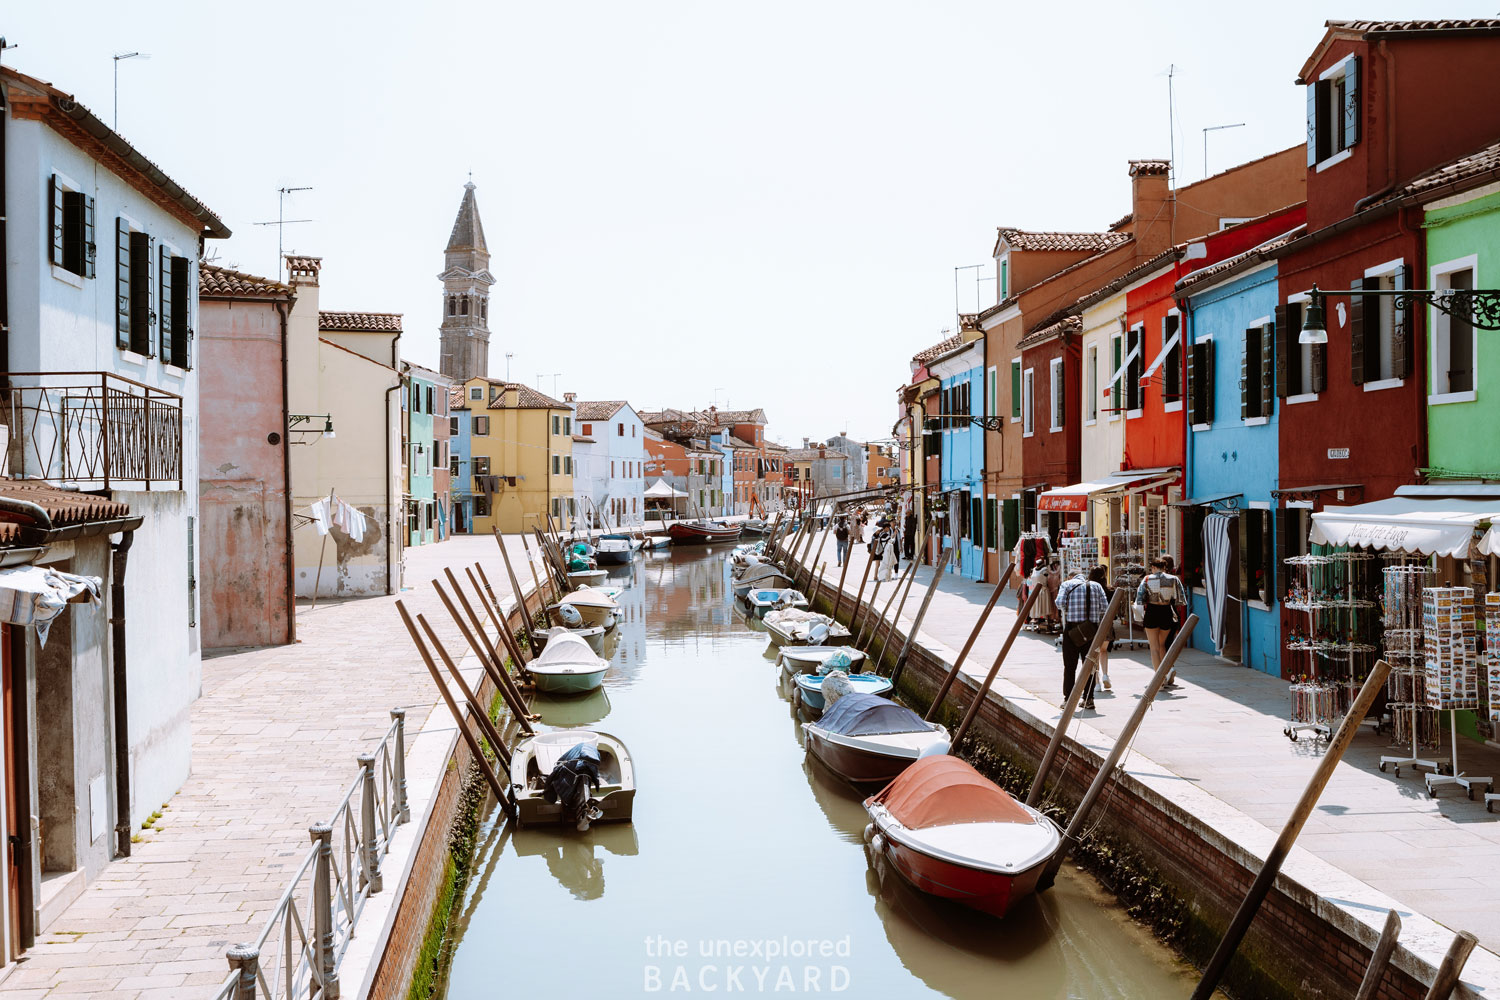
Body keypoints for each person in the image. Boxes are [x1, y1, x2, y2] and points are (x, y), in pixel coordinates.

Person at [1057, 567, 1109, 710]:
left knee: (1069, 666)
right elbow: (1105, 607)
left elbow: (1059, 603)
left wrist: (1071, 606)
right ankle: (1089, 699)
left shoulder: (1066, 585)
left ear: (1070, 577)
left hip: (1072, 630)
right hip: (1091, 631)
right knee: (1090, 665)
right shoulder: (1096, 586)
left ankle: (1068, 699)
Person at [1137, 556, 1187, 689]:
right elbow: (1181, 600)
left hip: (1152, 612)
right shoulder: (1173, 579)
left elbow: (1140, 599)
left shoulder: (1147, 579)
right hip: (1166, 612)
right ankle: (1165, 673)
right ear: (1164, 567)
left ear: (1153, 567)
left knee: (1154, 648)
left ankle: (1159, 680)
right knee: (1162, 645)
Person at [1088, 565, 1113, 691]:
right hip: (1105, 622)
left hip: (1092, 623)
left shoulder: (1088, 589)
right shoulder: (1109, 590)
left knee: (1094, 653)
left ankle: (1096, 682)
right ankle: (1105, 675)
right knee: (1104, 651)